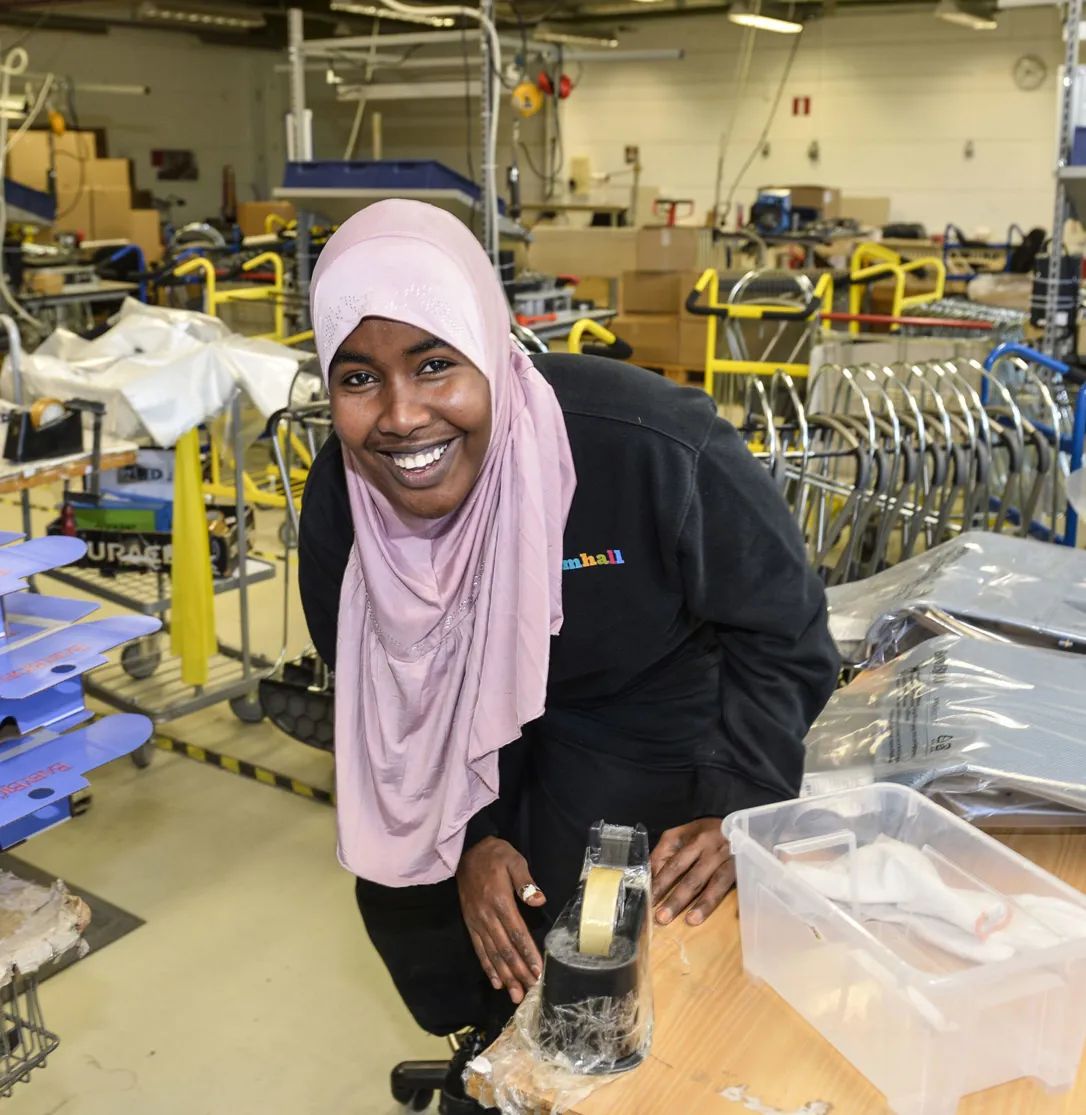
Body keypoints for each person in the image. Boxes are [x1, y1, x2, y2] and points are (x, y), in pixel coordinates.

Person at [298, 200, 839, 1113]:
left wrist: (741, 802)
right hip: (454, 735)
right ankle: (496, 1055)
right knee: (447, 924)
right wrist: (468, 838)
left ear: (489, 343)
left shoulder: (649, 445)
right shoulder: (343, 504)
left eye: (436, 363)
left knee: (623, 955)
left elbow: (784, 630)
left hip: (638, 708)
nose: (401, 416)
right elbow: (374, 700)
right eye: (359, 377)